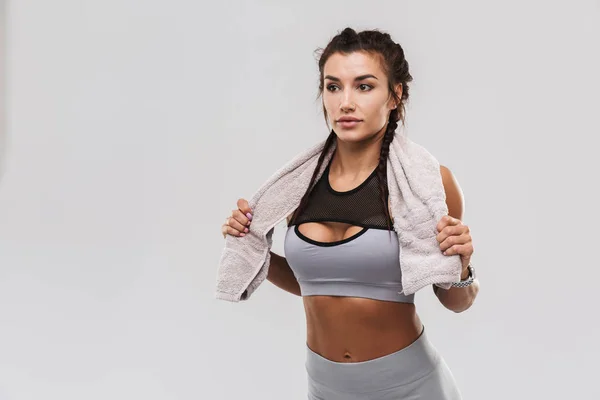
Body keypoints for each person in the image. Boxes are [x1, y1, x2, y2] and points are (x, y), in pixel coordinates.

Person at [221, 27, 479, 400]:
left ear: (395, 95)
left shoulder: (427, 186)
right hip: (326, 389)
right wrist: (249, 244)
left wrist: (464, 267)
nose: (345, 102)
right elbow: (316, 281)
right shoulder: (297, 188)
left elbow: (457, 301)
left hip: (413, 388)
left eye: (364, 86)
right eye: (333, 86)